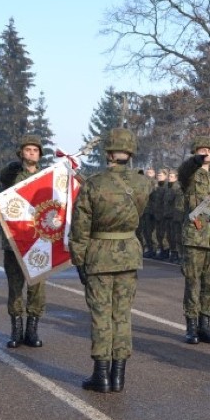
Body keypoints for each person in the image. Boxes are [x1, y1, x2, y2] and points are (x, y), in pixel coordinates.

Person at [69, 128, 152, 393]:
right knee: (123, 316)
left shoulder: (94, 183)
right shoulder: (142, 183)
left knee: (101, 316)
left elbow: (80, 227)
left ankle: (101, 375)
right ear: (130, 152)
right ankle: (119, 376)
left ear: (108, 152)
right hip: (129, 253)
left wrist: (79, 259)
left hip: (99, 254)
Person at [178, 136, 210, 344]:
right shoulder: (190, 175)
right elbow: (183, 172)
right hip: (195, 237)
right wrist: (194, 162)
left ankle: (205, 325)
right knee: (192, 283)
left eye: (208, 150)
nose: (205, 153)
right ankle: (191, 327)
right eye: (201, 150)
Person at [0, 134, 46, 349]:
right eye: (27, 150)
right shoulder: (12, 175)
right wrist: (17, 164)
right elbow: (4, 177)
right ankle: (16, 330)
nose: (31, 153)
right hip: (14, 241)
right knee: (15, 286)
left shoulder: (46, 177)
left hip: (39, 241)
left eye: (35, 150)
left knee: (37, 288)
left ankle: (32, 330)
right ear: (21, 153)